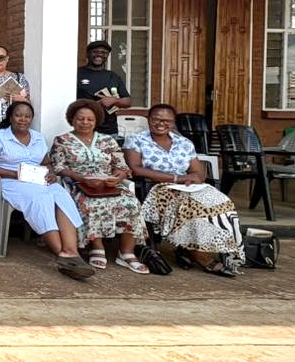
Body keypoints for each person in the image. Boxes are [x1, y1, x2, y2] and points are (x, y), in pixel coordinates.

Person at [124, 104, 245, 277]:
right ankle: (200, 255)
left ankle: (220, 250)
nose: (161, 123)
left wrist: (194, 178)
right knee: (190, 206)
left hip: (187, 186)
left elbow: (198, 171)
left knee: (222, 203)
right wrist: (175, 178)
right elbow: (136, 169)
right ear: (149, 120)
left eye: (167, 120)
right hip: (158, 188)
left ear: (173, 123)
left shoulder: (184, 143)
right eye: (156, 119)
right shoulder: (136, 140)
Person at [0, 101, 94, 281]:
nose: (23, 119)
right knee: (39, 198)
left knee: (62, 196)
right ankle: (62, 254)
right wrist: (14, 174)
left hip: (37, 180)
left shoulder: (38, 137)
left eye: (27, 116)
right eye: (18, 115)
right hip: (6, 180)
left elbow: (46, 163)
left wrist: (51, 173)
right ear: (10, 117)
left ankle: (72, 252)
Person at [50, 100, 148, 273]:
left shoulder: (108, 140)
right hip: (80, 185)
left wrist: (117, 178)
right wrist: (81, 178)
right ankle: (97, 246)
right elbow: (58, 167)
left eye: (90, 119)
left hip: (109, 185)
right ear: (72, 119)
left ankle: (126, 252)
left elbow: (122, 167)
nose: (85, 122)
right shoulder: (62, 140)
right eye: (80, 119)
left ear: (96, 121)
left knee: (132, 203)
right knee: (90, 203)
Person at [78, 40, 131, 136]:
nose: (99, 55)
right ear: (87, 54)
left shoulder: (113, 76)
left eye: (104, 53)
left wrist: (114, 101)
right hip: (82, 127)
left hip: (109, 130)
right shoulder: (77, 73)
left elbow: (128, 101)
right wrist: (94, 105)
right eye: (95, 52)